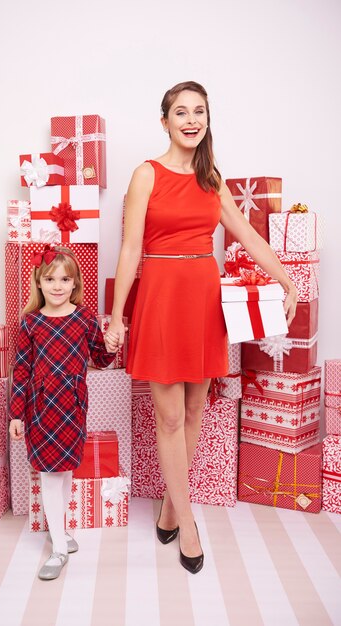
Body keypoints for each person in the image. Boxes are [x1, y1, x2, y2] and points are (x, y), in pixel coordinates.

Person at [107, 81, 298, 574]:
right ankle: (187, 520)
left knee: (196, 407)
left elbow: (248, 235)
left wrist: (286, 280)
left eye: (200, 112)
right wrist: (117, 315)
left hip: (203, 298)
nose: (191, 120)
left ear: (207, 119)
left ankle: (172, 503)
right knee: (168, 416)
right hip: (162, 297)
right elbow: (129, 249)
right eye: (181, 112)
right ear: (165, 120)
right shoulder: (145, 174)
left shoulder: (212, 176)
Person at [9, 245, 117, 581]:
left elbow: (100, 358)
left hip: (73, 406)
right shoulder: (30, 323)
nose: (57, 285)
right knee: (50, 475)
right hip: (41, 409)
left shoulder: (84, 318)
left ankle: (60, 531)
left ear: (75, 283)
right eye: (50, 279)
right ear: (39, 283)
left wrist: (112, 346)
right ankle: (58, 546)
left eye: (65, 279)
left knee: (66, 469)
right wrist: (16, 414)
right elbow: (22, 370)